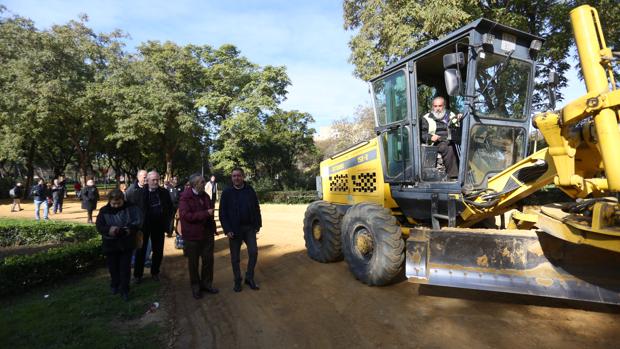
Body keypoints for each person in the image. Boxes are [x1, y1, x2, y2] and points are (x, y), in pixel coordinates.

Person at [219, 168, 262, 292]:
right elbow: (223, 213)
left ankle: (249, 277)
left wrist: (257, 224)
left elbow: (256, 207)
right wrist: (227, 230)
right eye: (234, 176)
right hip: (234, 229)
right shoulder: (227, 192)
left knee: (253, 252)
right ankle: (237, 281)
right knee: (235, 258)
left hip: (249, 228)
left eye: (238, 175)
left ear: (243, 177)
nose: (236, 178)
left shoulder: (250, 190)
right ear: (231, 178)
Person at [96, 189, 143, 301]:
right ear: (109, 201)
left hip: (126, 243)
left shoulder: (131, 207)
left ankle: (125, 290)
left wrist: (129, 230)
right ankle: (115, 284)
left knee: (125, 268)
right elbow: (99, 226)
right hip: (110, 244)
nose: (116, 206)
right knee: (113, 267)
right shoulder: (104, 211)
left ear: (123, 200)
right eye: (114, 204)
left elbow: (138, 221)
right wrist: (110, 229)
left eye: (119, 203)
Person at [179, 174, 219, 299]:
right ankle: (196, 286)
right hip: (192, 236)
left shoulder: (205, 195)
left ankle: (207, 284)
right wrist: (205, 213)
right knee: (193, 263)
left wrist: (213, 228)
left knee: (208, 260)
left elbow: (210, 211)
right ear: (195, 184)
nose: (204, 183)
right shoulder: (185, 197)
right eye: (202, 182)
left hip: (207, 234)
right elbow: (186, 216)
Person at [133, 171, 173, 283]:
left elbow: (170, 208)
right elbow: (134, 209)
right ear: (148, 181)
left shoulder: (164, 192)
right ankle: (138, 275)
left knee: (158, 250)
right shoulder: (139, 193)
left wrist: (168, 224)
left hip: (159, 225)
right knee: (141, 250)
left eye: (157, 180)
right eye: (153, 180)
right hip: (143, 226)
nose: (155, 182)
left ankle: (155, 272)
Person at [420, 96, 462, 178]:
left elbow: (458, 128)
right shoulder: (426, 118)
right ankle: (454, 176)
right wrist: (430, 137)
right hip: (436, 143)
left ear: (444, 106)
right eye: (435, 106)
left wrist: (461, 118)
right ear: (432, 107)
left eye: (440, 106)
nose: (437, 108)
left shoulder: (451, 115)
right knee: (448, 148)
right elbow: (422, 134)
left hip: (451, 140)